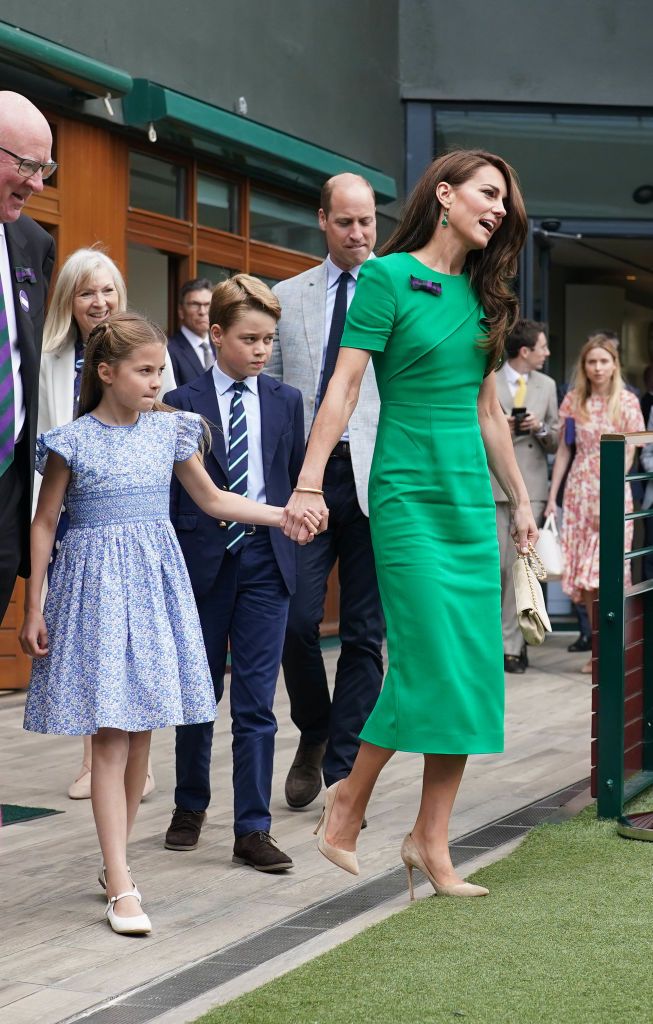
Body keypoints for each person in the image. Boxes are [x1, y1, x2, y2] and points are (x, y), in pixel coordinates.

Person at [283, 149, 535, 898]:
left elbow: (489, 413)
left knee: (468, 669)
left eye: (505, 203)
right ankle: (348, 801)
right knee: (427, 661)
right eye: (488, 195)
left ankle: (430, 839)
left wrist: (520, 501)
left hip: (465, 498)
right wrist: (306, 480)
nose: (497, 209)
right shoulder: (387, 278)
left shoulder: (485, 301)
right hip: (403, 492)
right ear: (445, 193)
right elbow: (342, 387)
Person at [19, 311, 319, 936]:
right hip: (94, 590)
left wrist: (282, 514)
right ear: (106, 373)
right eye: (145, 370)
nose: (159, 381)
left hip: (155, 588)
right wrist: (33, 606)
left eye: (162, 370)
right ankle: (122, 883)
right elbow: (45, 522)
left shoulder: (175, 432)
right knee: (110, 735)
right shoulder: (71, 441)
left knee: (143, 734)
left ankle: (116, 861)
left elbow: (213, 501)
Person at [163, 275, 306, 871]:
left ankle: (253, 828)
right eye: (249, 338)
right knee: (199, 694)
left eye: (269, 340)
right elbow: (176, 497)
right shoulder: (180, 404)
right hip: (200, 565)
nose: (261, 350)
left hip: (267, 566)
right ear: (216, 334)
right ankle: (190, 804)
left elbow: (295, 479)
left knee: (256, 703)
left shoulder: (286, 402)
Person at [37, 246, 175, 800]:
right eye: (86, 291)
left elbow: (162, 417)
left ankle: (127, 758)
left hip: (130, 511)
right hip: (67, 502)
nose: (99, 300)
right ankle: (93, 760)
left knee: (128, 634)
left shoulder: (141, 354)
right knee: (86, 633)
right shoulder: (47, 354)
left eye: (108, 289)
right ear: (69, 300)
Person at [268, 172, 384, 811]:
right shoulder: (288, 297)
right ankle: (315, 730)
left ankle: (341, 773)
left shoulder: (396, 291)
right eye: (346, 222)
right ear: (322, 220)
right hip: (306, 482)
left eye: (366, 221)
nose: (359, 233)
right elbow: (280, 398)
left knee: (366, 632)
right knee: (297, 622)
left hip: (375, 479)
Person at [544, 336, 645, 672]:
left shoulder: (628, 402)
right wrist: (551, 498)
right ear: (583, 366)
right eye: (592, 362)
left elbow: (630, 451)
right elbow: (564, 450)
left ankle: (616, 649)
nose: (598, 368)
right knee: (586, 579)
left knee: (608, 572)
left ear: (614, 364)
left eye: (604, 361)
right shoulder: (573, 401)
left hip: (613, 489)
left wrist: (611, 494)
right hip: (578, 492)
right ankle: (599, 651)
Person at [0, 91, 56, 623]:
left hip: (6, 485)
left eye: (44, 168)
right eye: (27, 165)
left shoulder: (33, 243)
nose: (38, 184)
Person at [491, 320, 559, 673]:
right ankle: (493, 642)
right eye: (543, 347)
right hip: (491, 485)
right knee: (497, 568)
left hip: (530, 488)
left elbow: (557, 439)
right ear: (525, 350)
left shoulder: (547, 386)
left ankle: (512, 647)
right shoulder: (489, 377)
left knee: (521, 569)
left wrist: (540, 427)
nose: (547, 353)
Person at [168, 278, 215, 385]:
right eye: (195, 304)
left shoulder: (221, 347)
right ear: (181, 311)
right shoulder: (169, 350)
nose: (202, 312)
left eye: (208, 305)